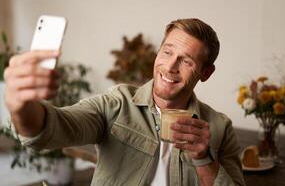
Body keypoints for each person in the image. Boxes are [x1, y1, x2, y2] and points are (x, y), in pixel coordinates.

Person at [4, 18, 245, 186]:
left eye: (186, 61)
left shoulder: (220, 128)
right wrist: (22, 106)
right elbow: (51, 129)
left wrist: (204, 159)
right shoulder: (117, 103)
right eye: (167, 52)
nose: (170, 66)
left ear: (206, 73)